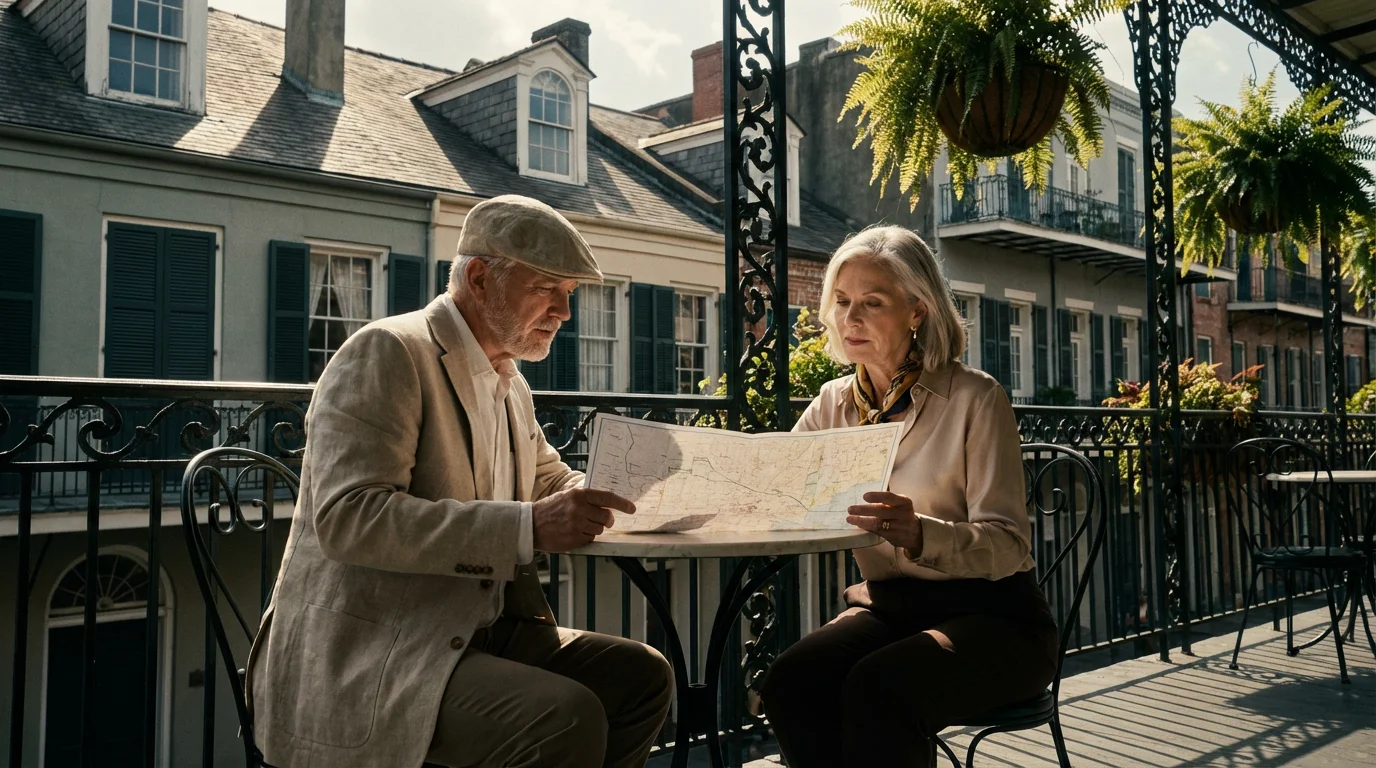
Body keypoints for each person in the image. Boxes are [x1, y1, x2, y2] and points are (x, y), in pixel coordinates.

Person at [246, 195, 673, 768]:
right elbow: (350, 518)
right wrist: (528, 527)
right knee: (566, 716)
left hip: (476, 632)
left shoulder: (508, 379)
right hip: (377, 652)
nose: (564, 313)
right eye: (546, 288)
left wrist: (641, 494)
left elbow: (549, 481)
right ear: (478, 278)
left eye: (569, 293)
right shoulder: (388, 350)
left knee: (642, 676)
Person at [758, 226, 1058, 767]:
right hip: (891, 610)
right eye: (842, 302)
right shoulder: (831, 404)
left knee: (881, 688)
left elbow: (1009, 545)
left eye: (872, 302)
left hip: (998, 617)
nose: (850, 318)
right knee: (790, 682)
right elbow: (777, 484)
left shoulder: (976, 398)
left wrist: (923, 533)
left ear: (917, 311)